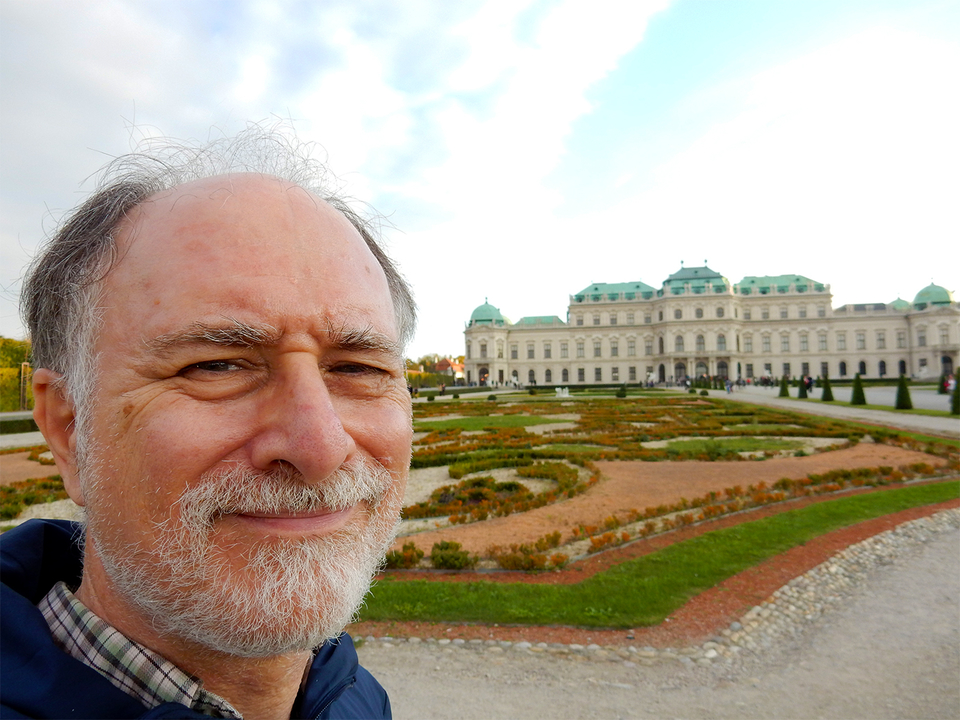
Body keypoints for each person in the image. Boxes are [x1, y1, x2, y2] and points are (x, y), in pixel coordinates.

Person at [1, 127, 417, 719]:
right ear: (69, 429)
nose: (321, 445)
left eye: (357, 366)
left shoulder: (350, 696)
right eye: (217, 365)